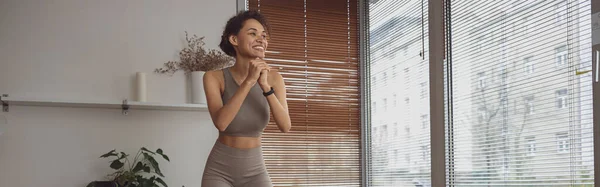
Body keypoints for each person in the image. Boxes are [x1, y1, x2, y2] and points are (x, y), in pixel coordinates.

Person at [201, 10, 292, 187]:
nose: (261, 40)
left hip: (255, 169)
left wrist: (265, 86)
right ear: (234, 40)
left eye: (264, 36)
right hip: (219, 170)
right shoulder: (213, 77)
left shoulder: (274, 78)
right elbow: (221, 123)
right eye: (253, 33)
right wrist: (249, 81)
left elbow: (285, 126)